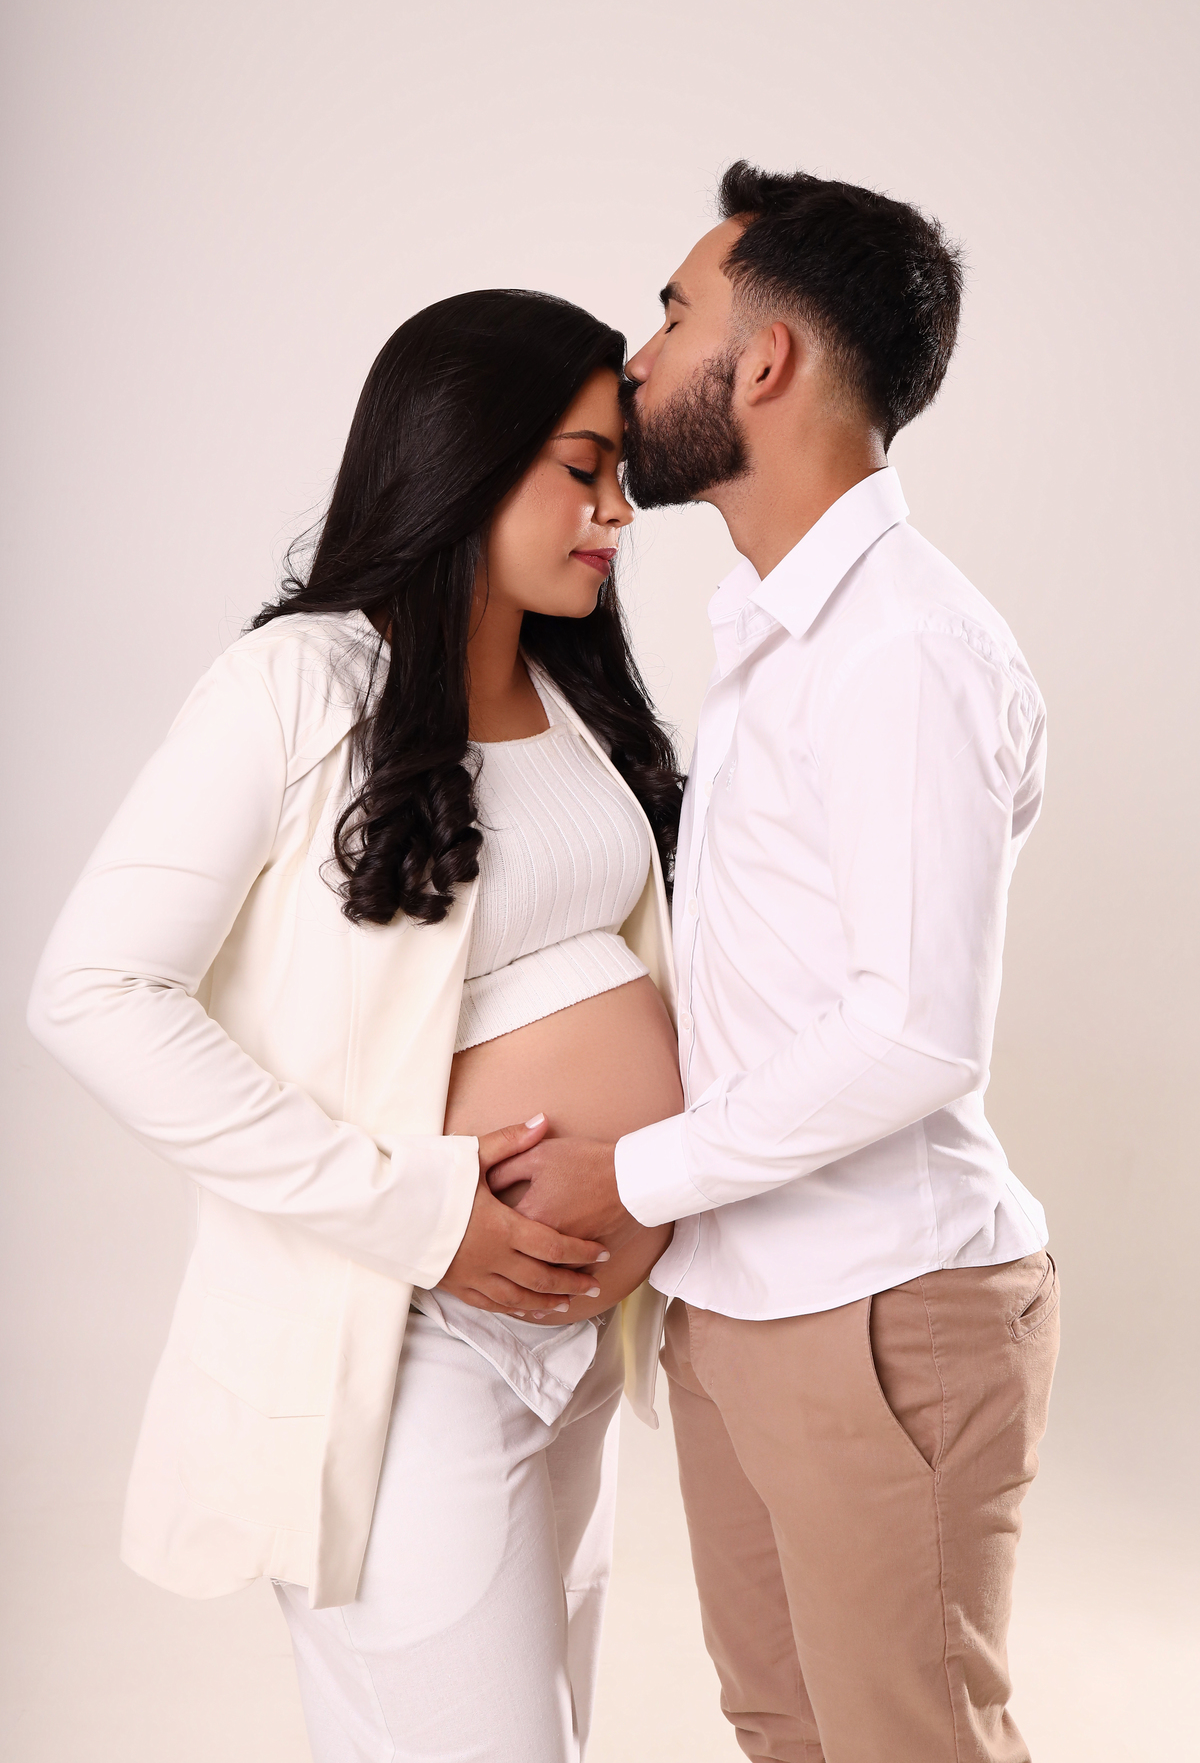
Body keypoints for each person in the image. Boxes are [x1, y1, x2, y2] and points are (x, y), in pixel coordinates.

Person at [27, 289, 686, 1763]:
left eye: (623, 477)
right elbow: (95, 991)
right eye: (585, 470)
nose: (619, 514)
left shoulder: (569, 696)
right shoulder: (301, 682)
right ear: (466, 457)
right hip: (404, 1344)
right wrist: (420, 1217)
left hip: (578, 1350)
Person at [487, 164, 1061, 1762]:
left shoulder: (904, 647)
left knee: (903, 1738)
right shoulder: (777, 628)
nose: (638, 357)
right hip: (739, 1296)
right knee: (785, 1729)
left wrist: (634, 1174)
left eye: (675, 315)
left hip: (879, 1308)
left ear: (767, 361)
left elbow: (917, 1034)